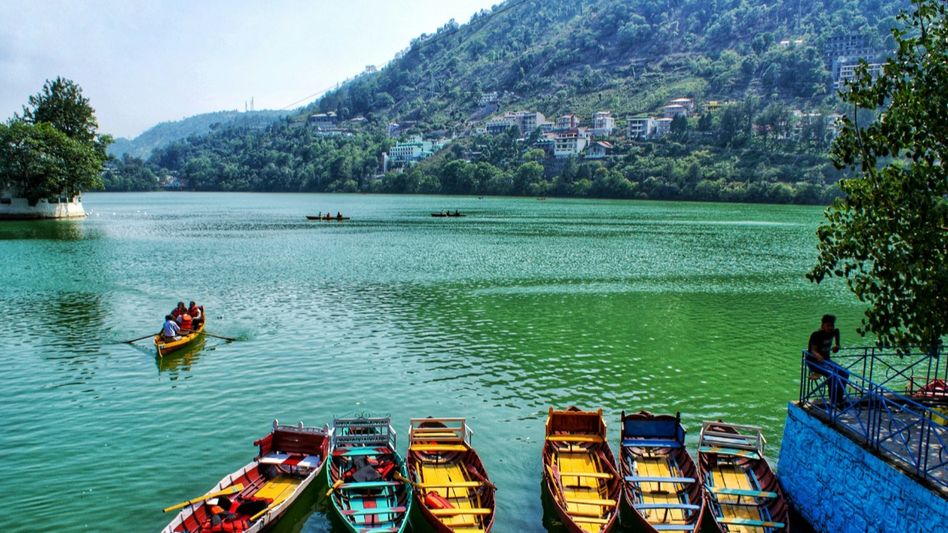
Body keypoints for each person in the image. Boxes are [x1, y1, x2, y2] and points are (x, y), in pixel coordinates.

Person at [807, 314, 849, 406]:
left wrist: (837, 347)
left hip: (826, 360)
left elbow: (837, 346)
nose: (830, 327)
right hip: (813, 361)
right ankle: (833, 400)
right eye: (828, 325)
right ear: (822, 326)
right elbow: (812, 350)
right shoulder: (816, 335)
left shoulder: (835, 332)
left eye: (832, 325)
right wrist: (817, 355)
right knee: (832, 375)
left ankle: (839, 397)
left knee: (845, 373)